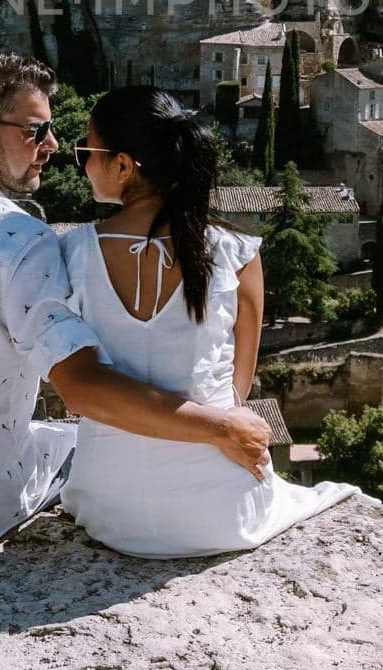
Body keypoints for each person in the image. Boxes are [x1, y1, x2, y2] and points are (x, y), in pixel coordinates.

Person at [0, 53, 270, 548]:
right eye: (35, 131)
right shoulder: (20, 239)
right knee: (82, 444)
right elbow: (82, 388)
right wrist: (222, 427)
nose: (54, 145)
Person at [58, 87, 359, 557]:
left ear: (122, 165)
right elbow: (238, 388)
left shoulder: (71, 253)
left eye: (87, 152)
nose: (83, 164)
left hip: (110, 511)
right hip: (223, 514)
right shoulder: (238, 253)